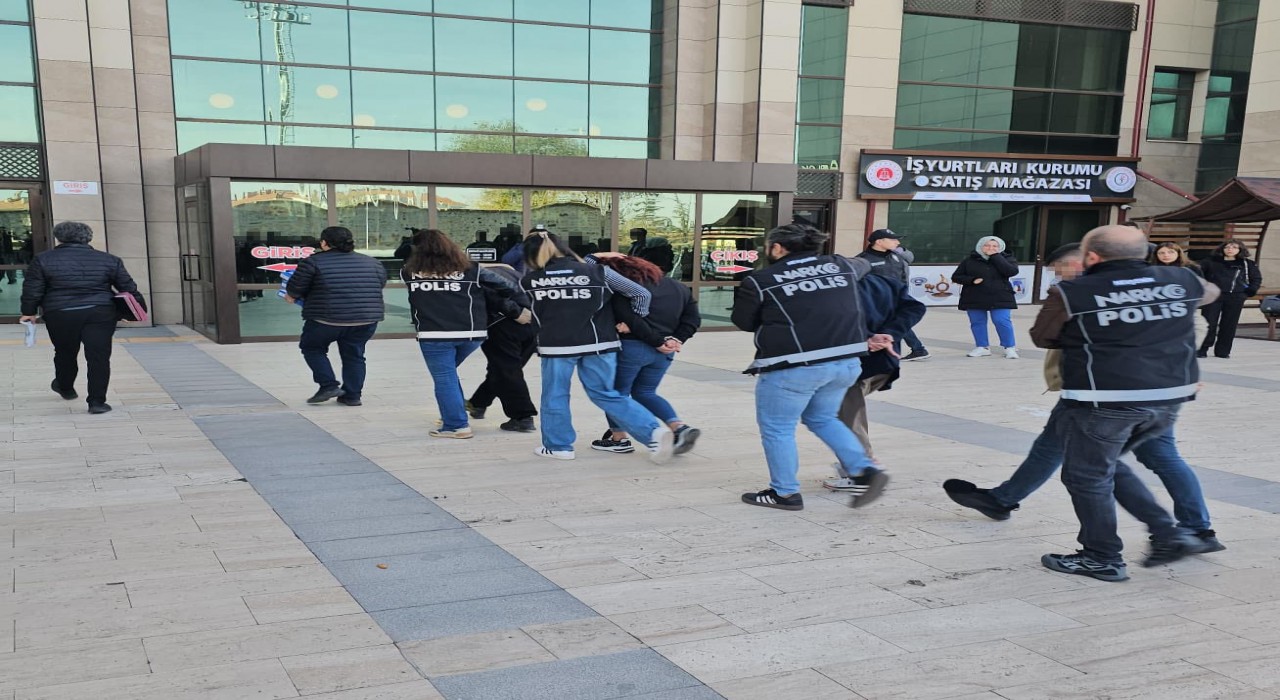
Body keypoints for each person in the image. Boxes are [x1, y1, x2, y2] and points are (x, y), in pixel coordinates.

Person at [944, 243, 1225, 553]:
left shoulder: (1091, 290)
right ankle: (1003, 499)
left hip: (1114, 393)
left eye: (1060, 268)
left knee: (1129, 463)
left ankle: (1185, 532)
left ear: (1085, 260)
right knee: (1050, 446)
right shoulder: (1150, 284)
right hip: (1116, 389)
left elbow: (1045, 336)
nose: (1058, 275)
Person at [1030, 225, 1220, 582]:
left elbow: (1044, 337)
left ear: (1091, 257)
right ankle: (1168, 533)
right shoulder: (1181, 279)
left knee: (1086, 476)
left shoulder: (1072, 291)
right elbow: (1210, 292)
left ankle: (1101, 557)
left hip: (1104, 400)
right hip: (1167, 398)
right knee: (1106, 466)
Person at [731, 222, 888, 511]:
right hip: (846, 362)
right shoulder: (842, 266)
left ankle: (785, 493)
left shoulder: (761, 280)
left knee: (778, 428)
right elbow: (864, 265)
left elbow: (743, 321)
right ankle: (865, 470)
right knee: (823, 418)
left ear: (777, 248)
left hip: (794, 366)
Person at [520, 230, 674, 463]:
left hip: (557, 346)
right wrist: (632, 322)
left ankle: (558, 446)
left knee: (555, 395)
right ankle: (653, 432)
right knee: (606, 394)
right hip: (601, 343)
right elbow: (640, 294)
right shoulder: (599, 271)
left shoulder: (529, 281)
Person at [402, 229, 528, 439]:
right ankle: (453, 414)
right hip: (472, 333)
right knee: (448, 375)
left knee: (445, 378)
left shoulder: (408, 271)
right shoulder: (472, 269)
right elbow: (508, 286)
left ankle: (455, 424)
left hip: (434, 335)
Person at [19, 222, 141, 415]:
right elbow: (128, 288)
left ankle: (65, 386)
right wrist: (130, 312)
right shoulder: (109, 260)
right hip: (100, 312)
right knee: (98, 357)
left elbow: (33, 289)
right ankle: (97, 402)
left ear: (59, 238)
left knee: (65, 351)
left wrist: (28, 311)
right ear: (88, 237)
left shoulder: (43, 259)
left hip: (59, 313)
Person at [589, 254, 702, 455]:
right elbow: (693, 319)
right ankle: (679, 427)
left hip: (633, 348)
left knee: (617, 395)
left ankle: (619, 439)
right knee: (646, 392)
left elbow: (630, 318)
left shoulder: (625, 290)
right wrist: (676, 340)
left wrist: (656, 341)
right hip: (665, 352)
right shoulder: (679, 287)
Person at [823, 271, 926, 491]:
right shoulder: (883, 280)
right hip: (881, 361)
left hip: (854, 362)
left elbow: (841, 318)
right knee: (843, 412)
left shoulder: (835, 286)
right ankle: (856, 466)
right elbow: (915, 307)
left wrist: (873, 337)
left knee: (846, 415)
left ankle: (861, 471)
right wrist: (889, 333)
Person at [285, 226, 387, 406]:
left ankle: (328, 385)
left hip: (326, 319)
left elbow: (295, 288)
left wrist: (292, 296)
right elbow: (380, 284)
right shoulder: (373, 263)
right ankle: (352, 396)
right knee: (354, 355)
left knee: (312, 348)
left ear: (324, 243)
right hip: (366, 320)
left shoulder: (312, 262)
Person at [466, 262, 540, 433]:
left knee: (508, 370)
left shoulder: (477, 275)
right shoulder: (508, 270)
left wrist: (515, 312)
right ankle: (478, 403)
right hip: (533, 323)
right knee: (504, 368)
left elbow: (492, 296)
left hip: (503, 324)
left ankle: (522, 416)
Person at [857, 228, 928, 361]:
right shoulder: (863, 261)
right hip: (875, 307)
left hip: (896, 302)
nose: (897, 242)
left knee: (897, 327)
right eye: (893, 239)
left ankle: (914, 351)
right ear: (879, 242)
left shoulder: (896, 257)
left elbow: (902, 277)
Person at [952, 235, 1019, 359]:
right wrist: (972, 280)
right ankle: (982, 347)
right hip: (974, 296)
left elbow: (1011, 271)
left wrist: (995, 256)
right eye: (987, 245)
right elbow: (956, 277)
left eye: (995, 246)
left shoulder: (1007, 259)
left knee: (1002, 321)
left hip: (1001, 296)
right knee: (977, 322)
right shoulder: (970, 260)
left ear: (1000, 247)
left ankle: (1009, 347)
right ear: (980, 246)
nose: (990, 248)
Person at [1198, 239, 1262, 359]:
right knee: (1208, 323)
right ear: (1222, 249)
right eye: (1227, 247)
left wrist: (1250, 291)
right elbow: (1199, 275)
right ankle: (1202, 348)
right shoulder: (1209, 262)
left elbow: (1256, 279)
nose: (1230, 249)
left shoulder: (1247, 264)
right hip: (1214, 295)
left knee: (1229, 324)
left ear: (1240, 250)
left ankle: (1223, 351)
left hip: (1236, 296)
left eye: (1234, 247)